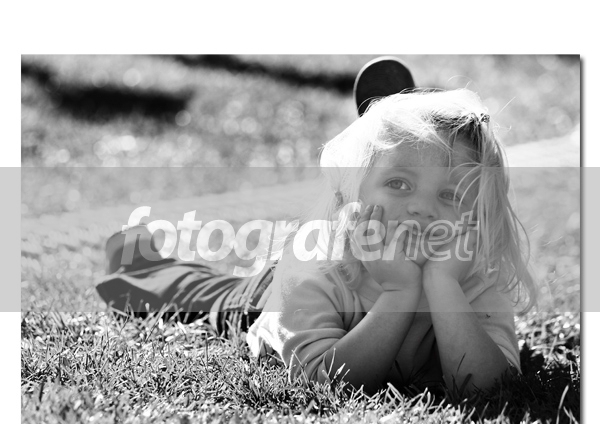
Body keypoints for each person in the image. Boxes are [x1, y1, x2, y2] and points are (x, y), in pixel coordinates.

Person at [96, 57, 537, 395]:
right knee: (196, 293)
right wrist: (400, 293)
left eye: (450, 195)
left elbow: (491, 387)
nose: (422, 209)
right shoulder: (316, 264)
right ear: (348, 198)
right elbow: (323, 378)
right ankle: (138, 258)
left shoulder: (472, 274)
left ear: (478, 214)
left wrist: (443, 286)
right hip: (266, 298)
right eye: (399, 184)